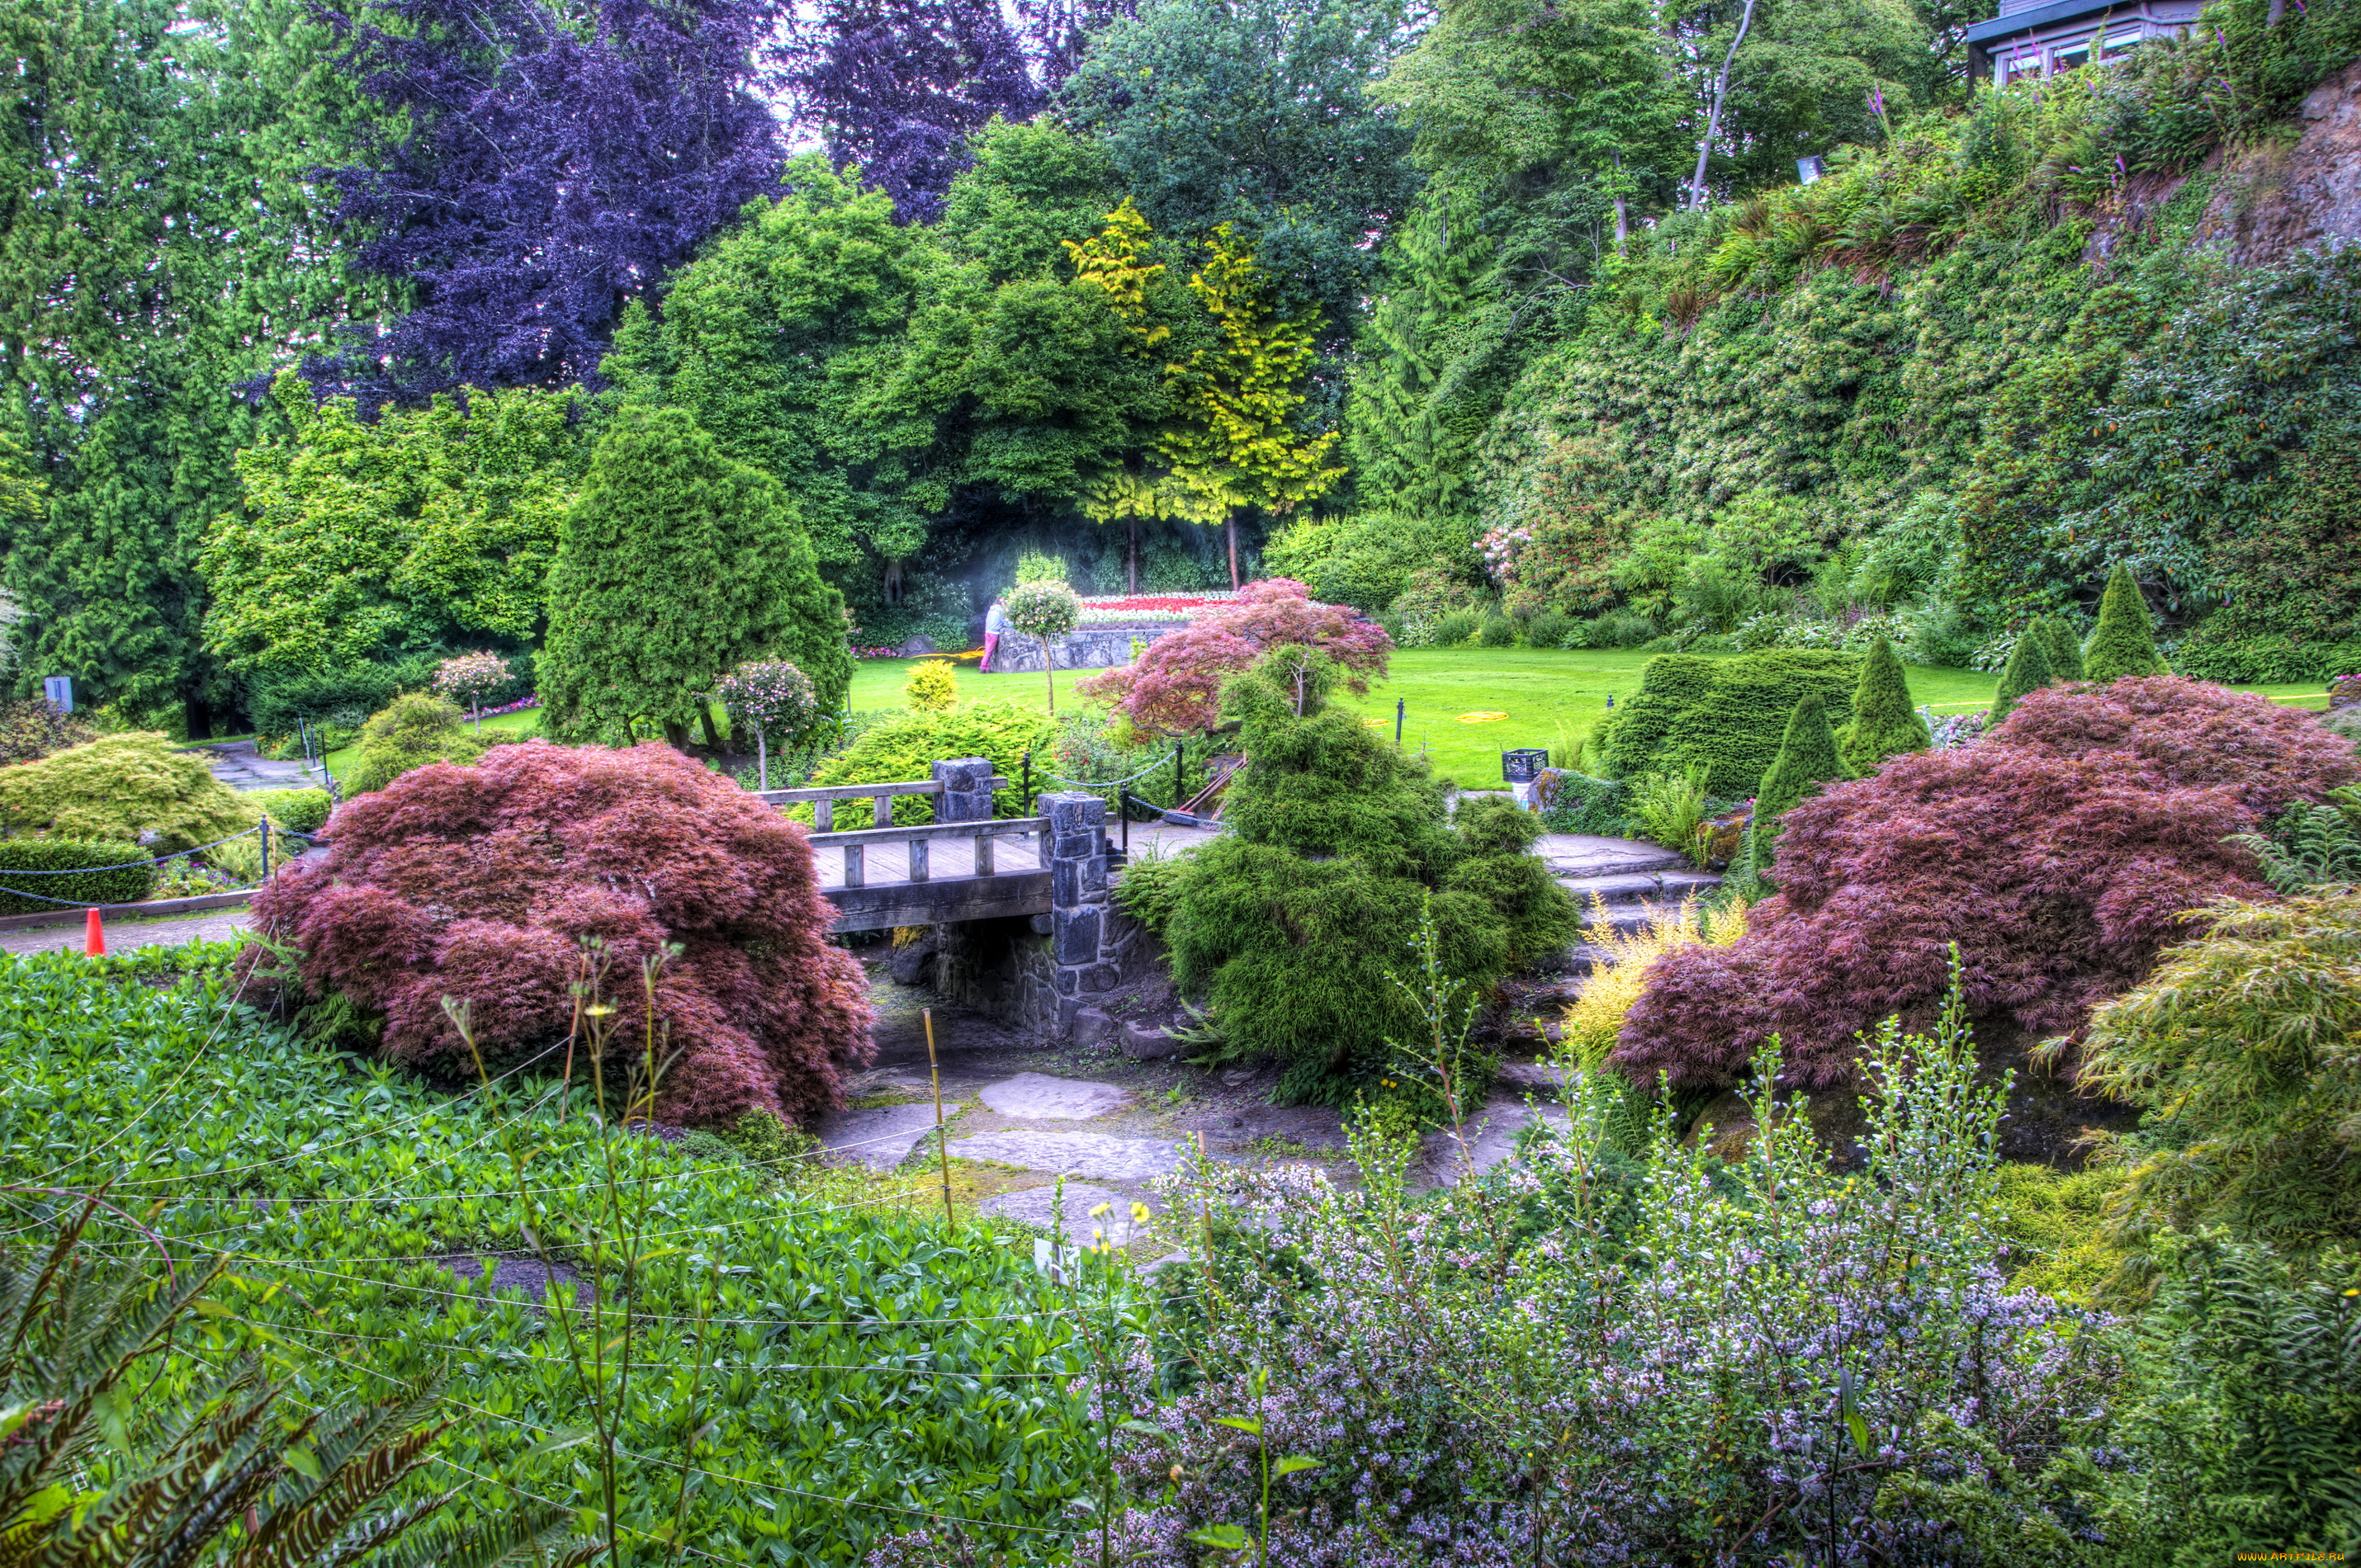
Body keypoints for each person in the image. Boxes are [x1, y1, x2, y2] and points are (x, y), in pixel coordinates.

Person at [981, 596, 1009, 673]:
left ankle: (987, 668)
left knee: (987, 650)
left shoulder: (991, 610)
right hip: (994, 633)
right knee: (989, 652)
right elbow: (1005, 622)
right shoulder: (1001, 611)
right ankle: (982, 668)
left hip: (988, 632)